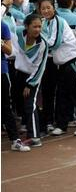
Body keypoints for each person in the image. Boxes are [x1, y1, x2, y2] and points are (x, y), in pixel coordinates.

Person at [39, 0, 76, 137]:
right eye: (43, 8)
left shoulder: (58, 21)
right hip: (60, 63)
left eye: (48, 7)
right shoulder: (46, 23)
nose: (46, 10)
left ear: (53, 8)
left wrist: (39, 41)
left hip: (72, 60)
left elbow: (54, 43)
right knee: (62, 95)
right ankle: (62, 124)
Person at [13, 14, 49, 147]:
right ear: (26, 26)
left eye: (40, 26)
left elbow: (40, 67)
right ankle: (28, 128)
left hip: (33, 76)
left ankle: (34, 136)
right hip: (18, 73)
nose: (37, 29)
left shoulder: (42, 44)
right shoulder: (17, 33)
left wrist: (30, 83)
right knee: (19, 103)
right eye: (34, 26)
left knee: (30, 104)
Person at [2, 20, 31, 152]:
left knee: (5, 107)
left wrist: (1, 42)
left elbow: (9, 51)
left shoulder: (3, 25)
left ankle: (14, 140)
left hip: (1, 71)